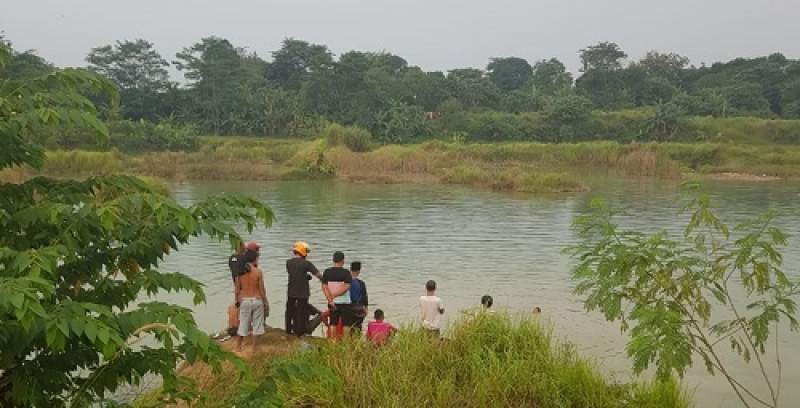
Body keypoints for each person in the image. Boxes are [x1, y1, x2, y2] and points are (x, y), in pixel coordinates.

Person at [234, 249, 268, 353]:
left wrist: (237, 302)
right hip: (257, 300)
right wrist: (265, 302)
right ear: (255, 260)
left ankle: (238, 347)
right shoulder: (258, 272)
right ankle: (253, 348)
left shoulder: (239, 272)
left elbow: (237, 290)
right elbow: (262, 289)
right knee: (257, 326)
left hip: (245, 300)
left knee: (243, 324)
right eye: (257, 258)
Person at [285, 241, 321, 336]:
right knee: (302, 312)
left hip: (291, 291)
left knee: (289, 310)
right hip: (303, 292)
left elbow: (296, 274)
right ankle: (299, 333)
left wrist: (305, 276)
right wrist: (325, 281)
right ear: (303, 252)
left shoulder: (288, 263)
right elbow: (318, 275)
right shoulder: (307, 264)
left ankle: (288, 330)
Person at [321, 251, 352, 339]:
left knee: (333, 323)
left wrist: (330, 300)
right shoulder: (346, 272)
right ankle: (346, 343)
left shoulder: (327, 272)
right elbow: (347, 287)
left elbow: (324, 287)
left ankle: (332, 342)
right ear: (343, 261)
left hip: (332, 302)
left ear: (333, 260)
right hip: (345, 302)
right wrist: (335, 294)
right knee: (346, 324)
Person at [349, 261, 368, 332]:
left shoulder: (345, 282)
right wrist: (366, 308)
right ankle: (357, 341)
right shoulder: (361, 283)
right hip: (358, 310)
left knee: (348, 327)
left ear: (350, 269)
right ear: (359, 271)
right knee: (357, 328)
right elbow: (365, 298)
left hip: (347, 309)